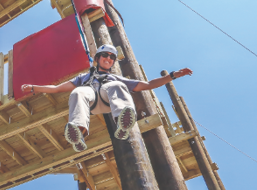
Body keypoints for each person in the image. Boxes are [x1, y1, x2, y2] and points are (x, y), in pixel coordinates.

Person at [21, 44, 192, 152]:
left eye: (112, 57)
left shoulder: (116, 78)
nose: (109, 59)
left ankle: (123, 123)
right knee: (78, 92)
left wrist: (172, 76)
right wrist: (35, 88)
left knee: (115, 85)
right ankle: (78, 132)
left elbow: (147, 85)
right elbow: (58, 89)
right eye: (105, 56)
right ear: (97, 59)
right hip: (92, 102)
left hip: (110, 100)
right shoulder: (84, 77)